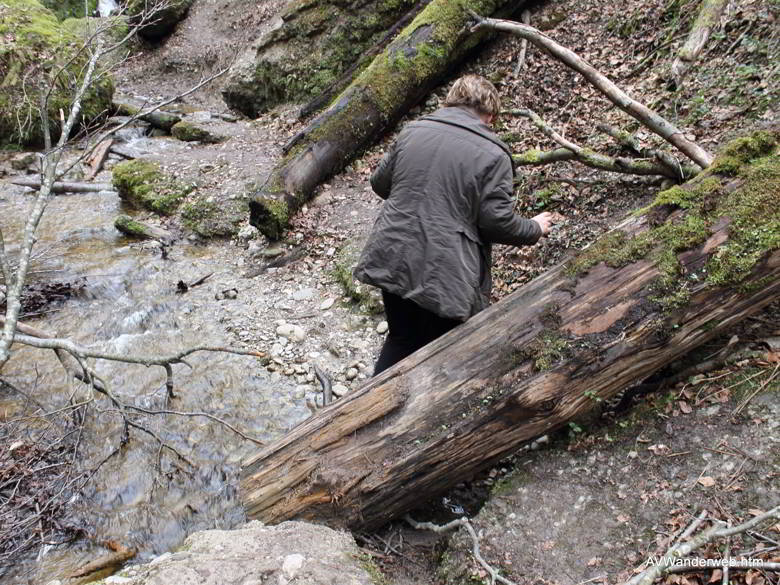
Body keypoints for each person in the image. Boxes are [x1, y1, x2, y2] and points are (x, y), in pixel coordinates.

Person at [354, 75, 554, 376]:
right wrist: (534, 228)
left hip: (394, 252)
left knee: (401, 337)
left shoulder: (414, 131)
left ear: (449, 102)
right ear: (491, 116)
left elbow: (380, 183)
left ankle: (364, 416)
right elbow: (496, 222)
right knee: (441, 353)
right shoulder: (494, 155)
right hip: (445, 271)